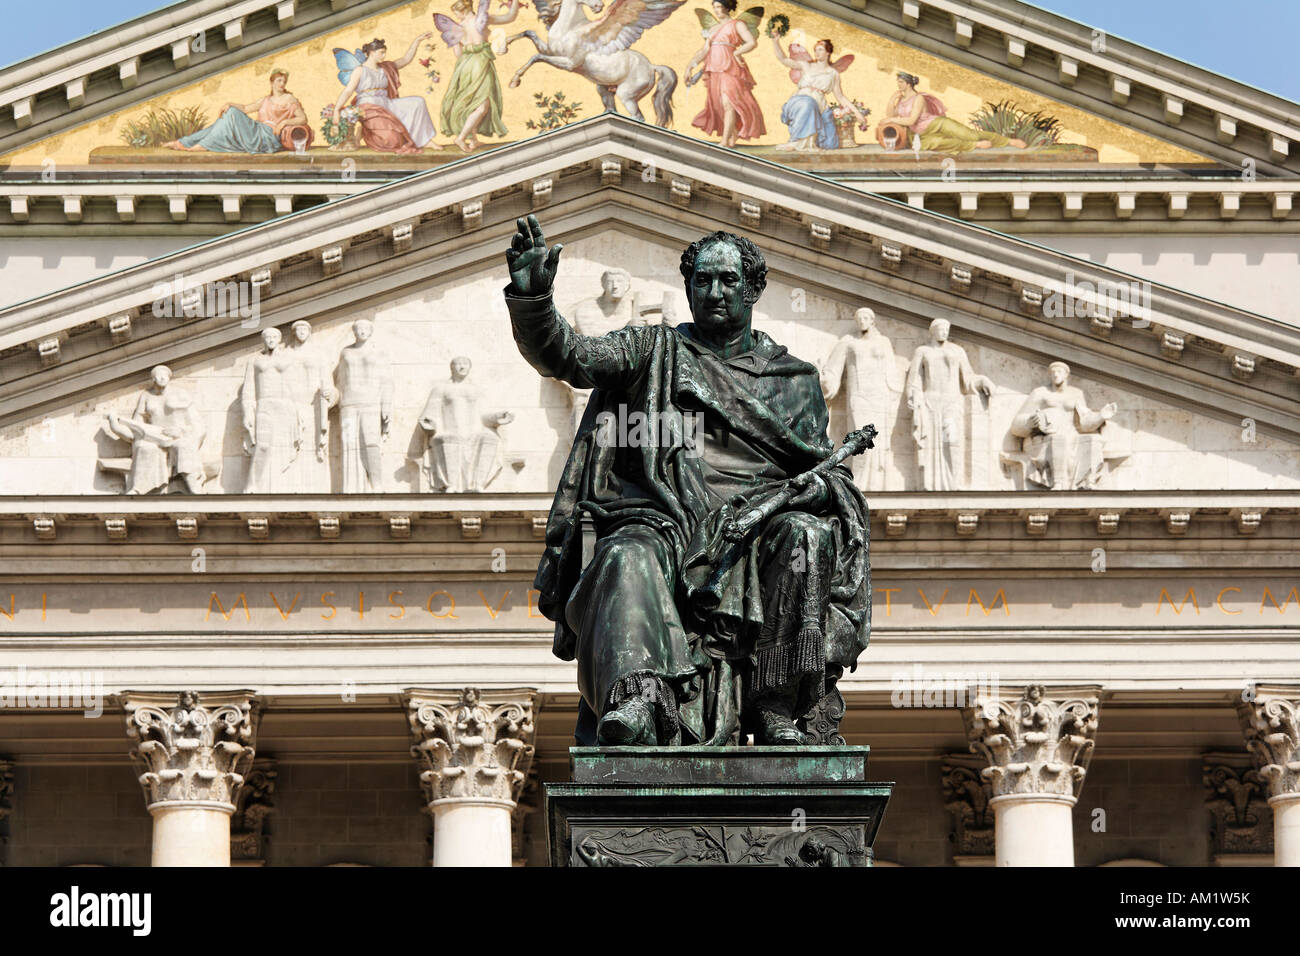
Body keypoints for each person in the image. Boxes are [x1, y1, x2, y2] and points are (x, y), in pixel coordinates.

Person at [504, 215, 871, 748]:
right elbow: (570, 356)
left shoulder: (796, 381)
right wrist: (533, 300)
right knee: (626, 552)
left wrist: (805, 493)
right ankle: (640, 694)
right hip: (666, 516)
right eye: (702, 280)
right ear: (688, 288)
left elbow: (827, 478)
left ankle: (774, 702)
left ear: (753, 290)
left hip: (761, 527)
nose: (714, 292)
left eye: (727, 281)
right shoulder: (651, 350)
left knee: (806, 537)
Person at [904, 318, 993, 491]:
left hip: (951, 402)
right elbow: (913, 380)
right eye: (940, 329)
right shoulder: (922, 351)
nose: (944, 332)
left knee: (952, 439)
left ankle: (954, 483)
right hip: (929, 402)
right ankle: (928, 484)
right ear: (933, 331)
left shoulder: (957, 351)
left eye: (946, 329)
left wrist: (981, 381)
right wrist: (914, 395)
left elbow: (968, 379)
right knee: (929, 444)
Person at [820, 307, 902, 491]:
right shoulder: (848, 342)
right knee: (861, 438)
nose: (862, 321)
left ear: (872, 320)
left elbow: (892, 377)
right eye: (859, 318)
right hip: (859, 397)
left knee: (879, 441)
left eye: (866, 318)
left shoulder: (884, 342)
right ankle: (861, 484)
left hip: (880, 398)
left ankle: (878, 483)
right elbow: (833, 371)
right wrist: (822, 380)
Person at [1009, 361, 1117, 490]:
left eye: (1059, 371)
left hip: (1073, 437)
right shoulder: (1040, 393)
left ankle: (1088, 481)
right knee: (1058, 439)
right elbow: (1016, 425)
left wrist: (1101, 416)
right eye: (1052, 372)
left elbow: (1084, 422)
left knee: (1093, 439)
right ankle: (1058, 482)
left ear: (1066, 375)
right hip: (1045, 441)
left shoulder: (1076, 394)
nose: (1055, 375)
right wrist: (1029, 423)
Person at [435, 0, 523, 152]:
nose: (456, 17)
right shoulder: (482, 19)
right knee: (482, 106)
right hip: (480, 63)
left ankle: (473, 140)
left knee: (471, 103)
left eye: (456, 13)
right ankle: (461, 137)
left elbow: (458, 54)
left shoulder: (457, 28)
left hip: (464, 67)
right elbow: (510, 17)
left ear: (463, 11)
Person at [105, 365, 205, 495]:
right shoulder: (146, 396)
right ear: (153, 379)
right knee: (144, 446)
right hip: (154, 439)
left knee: (182, 446)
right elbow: (136, 429)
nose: (163, 378)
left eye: (166, 375)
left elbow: (199, 426)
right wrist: (114, 424)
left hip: (178, 437)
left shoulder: (181, 395)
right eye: (159, 375)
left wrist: (182, 432)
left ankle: (194, 488)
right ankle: (138, 489)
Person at [332, 36, 438, 153]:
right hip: (368, 107)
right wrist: (337, 109)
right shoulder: (360, 70)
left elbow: (406, 59)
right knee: (392, 140)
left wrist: (417, 41)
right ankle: (361, 132)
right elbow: (348, 91)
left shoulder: (385, 68)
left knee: (418, 102)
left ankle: (425, 140)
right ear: (372, 53)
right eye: (381, 53)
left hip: (387, 103)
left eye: (384, 53)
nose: (384, 56)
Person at [165, 70, 312, 153]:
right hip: (257, 131)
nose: (282, 84)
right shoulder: (266, 100)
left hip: (268, 137)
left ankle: (200, 145)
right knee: (229, 113)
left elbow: (302, 118)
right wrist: (229, 103)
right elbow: (246, 108)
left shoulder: (289, 99)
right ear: (272, 82)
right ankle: (185, 142)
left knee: (231, 114)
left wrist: (285, 122)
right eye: (279, 80)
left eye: (284, 81)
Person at [880, 72, 1026, 154]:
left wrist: (892, 120)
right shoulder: (900, 99)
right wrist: (892, 100)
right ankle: (975, 146)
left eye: (900, 82)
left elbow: (911, 120)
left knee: (971, 135)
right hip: (920, 135)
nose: (898, 84)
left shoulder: (918, 98)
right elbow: (890, 117)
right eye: (898, 82)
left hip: (936, 124)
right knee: (937, 144)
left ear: (908, 84)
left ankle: (1008, 141)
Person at [686, 0, 765, 148]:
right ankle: (732, 135)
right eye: (715, 7)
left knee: (728, 102)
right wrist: (690, 67)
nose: (717, 10)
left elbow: (751, 42)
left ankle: (724, 141)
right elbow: (704, 50)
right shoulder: (713, 28)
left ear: (728, 7)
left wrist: (737, 52)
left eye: (720, 6)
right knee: (718, 105)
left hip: (731, 67)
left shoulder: (737, 24)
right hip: (713, 68)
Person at [770, 37, 866, 151]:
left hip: (820, 107)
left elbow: (840, 97)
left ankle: (809, 141)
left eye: (820, 50)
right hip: (799, 102)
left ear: (828, 52)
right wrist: (775, 41)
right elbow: (784, 59)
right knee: (809, 103)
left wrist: (857, 113)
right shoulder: (806, 65)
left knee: (831, 144)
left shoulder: (833, 73)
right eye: (815, 50)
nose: (816, 52)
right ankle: (797, 143)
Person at [333, 319, 393, 493]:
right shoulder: (346, 353)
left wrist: (386, 405)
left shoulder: (378, 354)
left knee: (371, 442)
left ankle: (376, 483)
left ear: (371, 331)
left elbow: (387, 381)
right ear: (354, 331)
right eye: (359, 328)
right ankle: (351, 487)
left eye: (366, 328)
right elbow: (340, 381)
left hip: (371, 401)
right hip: (349, 403)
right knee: (349, 443)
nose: (362, 331)